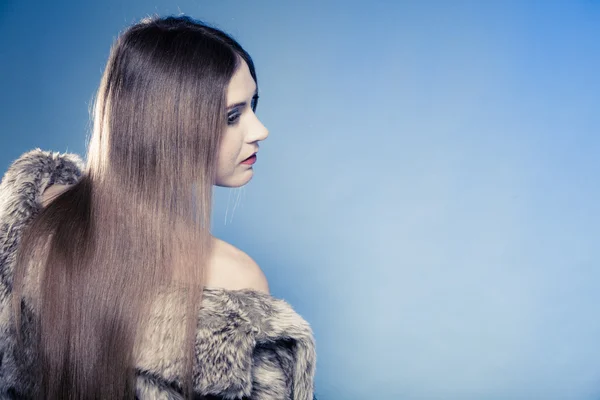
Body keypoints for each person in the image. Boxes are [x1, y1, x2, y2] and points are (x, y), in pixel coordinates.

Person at [0, 15, 316, 400]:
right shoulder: (235, 279)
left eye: (254, 105)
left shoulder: (32, 215)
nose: (259, 130)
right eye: (233, 115)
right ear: (170, 124)